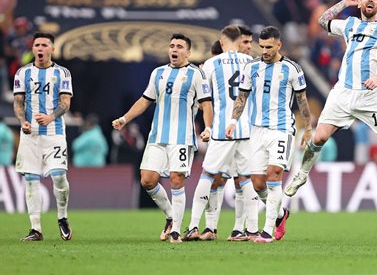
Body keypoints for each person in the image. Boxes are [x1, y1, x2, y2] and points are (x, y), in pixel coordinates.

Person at [284, 0, 377, 214]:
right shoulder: (349, 24)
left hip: (371, 95)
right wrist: (343, 3)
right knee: (318, 138)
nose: (370, 0)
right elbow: (322, 20)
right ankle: (301, 175)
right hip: (343, 93)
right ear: (360, 4)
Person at [112, 33, 213, 243]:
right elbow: (145, 100)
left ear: (188, 52)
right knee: (147, 180)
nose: (174, 49)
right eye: (172, 46)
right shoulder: (158, 73)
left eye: (179, 46)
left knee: (177, 179)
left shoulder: (196, 74)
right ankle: (170, 216)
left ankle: (176, 230)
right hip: (157, 136)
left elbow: (206, 104)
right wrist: (125, 119)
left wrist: (209, 127)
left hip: (182, 138)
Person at [226, 26, 312, 243]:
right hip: (257, 130)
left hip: (282, 129)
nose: (264, 51)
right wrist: (233, 121)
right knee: (258, 184)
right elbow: (242, 96)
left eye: (269, 47)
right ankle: (281, 214)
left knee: (274, 174)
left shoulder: (292, 69)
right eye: (261, 46)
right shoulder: (251, 67)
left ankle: (267, 231)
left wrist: (308, 128)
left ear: (279, 45)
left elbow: (302, 100)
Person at [184, 25, 259, 242]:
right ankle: (250, 230)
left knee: (208, 175)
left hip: (222, 129)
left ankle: (192, 226)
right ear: (239, 41)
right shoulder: (252, 63)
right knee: (245, 179)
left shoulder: (210, 64)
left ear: (223, 42)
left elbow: (202, 99)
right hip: (246, 129)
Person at [13, 32, 73, 241]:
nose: (40, 48)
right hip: (30, 136)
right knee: (30, 178)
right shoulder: (22, 73)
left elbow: (65, 103)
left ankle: (62, 217)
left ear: (52, 49)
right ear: (33, 48)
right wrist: (23, 123)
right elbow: (18, 102)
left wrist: (50, 117)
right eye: (36, 45)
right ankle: (36, 229)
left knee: (58, 175)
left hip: (54, 133)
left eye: (44, 45)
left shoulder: (63, 73)